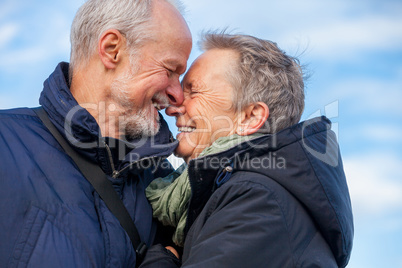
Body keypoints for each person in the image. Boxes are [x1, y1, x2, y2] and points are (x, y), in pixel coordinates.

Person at [0, 0, 192, 267]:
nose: (177, 96)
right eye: (170, 70)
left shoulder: (168, 190)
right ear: (111, 50)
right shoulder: (5, 143)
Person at [140, 33, 354, 267]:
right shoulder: (245, 191)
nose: (173, 107)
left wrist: (162, 260)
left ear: (251, 117)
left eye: (194, 91)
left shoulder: (257, 200)